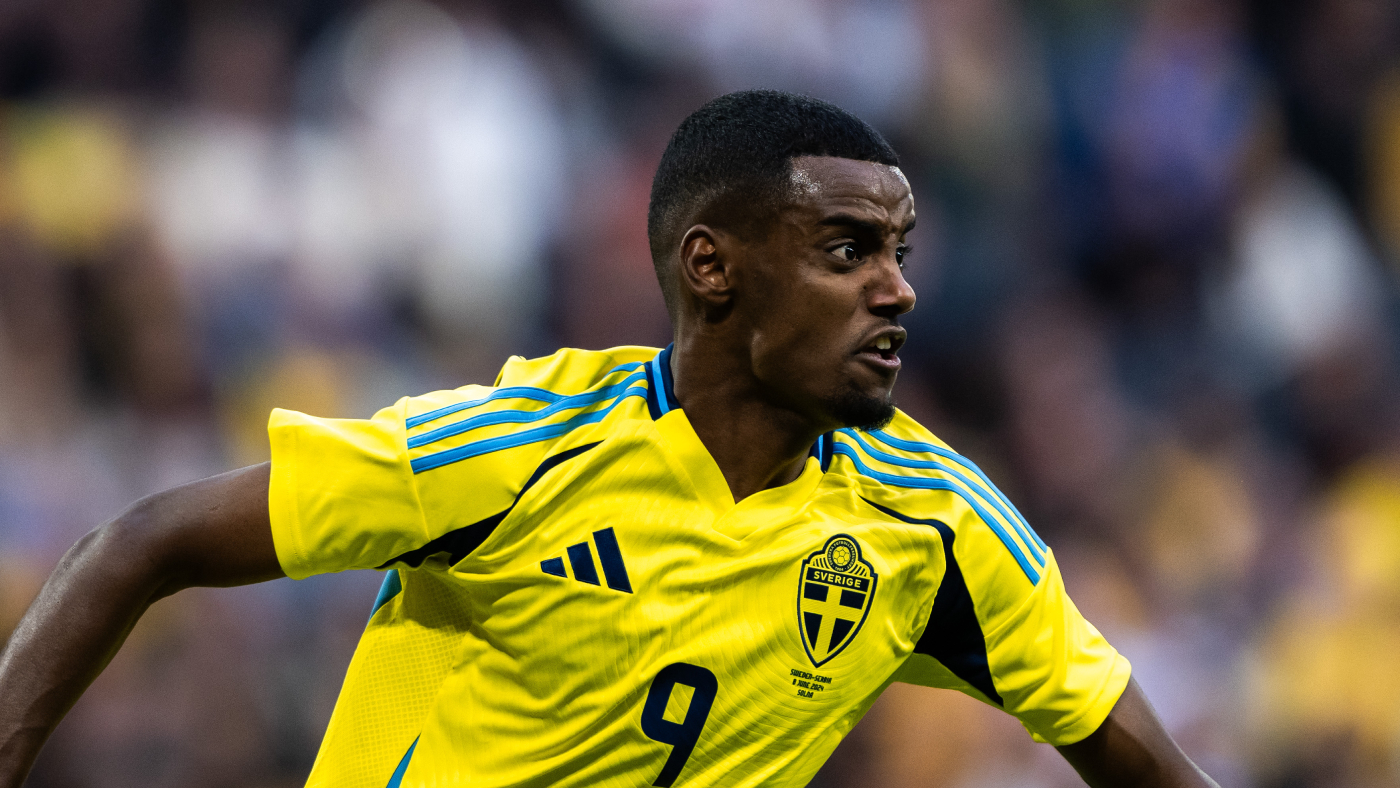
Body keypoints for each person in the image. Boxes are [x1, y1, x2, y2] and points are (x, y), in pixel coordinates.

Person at [0, 90, 1217, 788]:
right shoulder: (519, 450)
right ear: (711, 268)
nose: (894, 288)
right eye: (846, 250)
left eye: (899, 252)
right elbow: (140, 540)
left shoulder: (935, 528)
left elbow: (1145, 760)